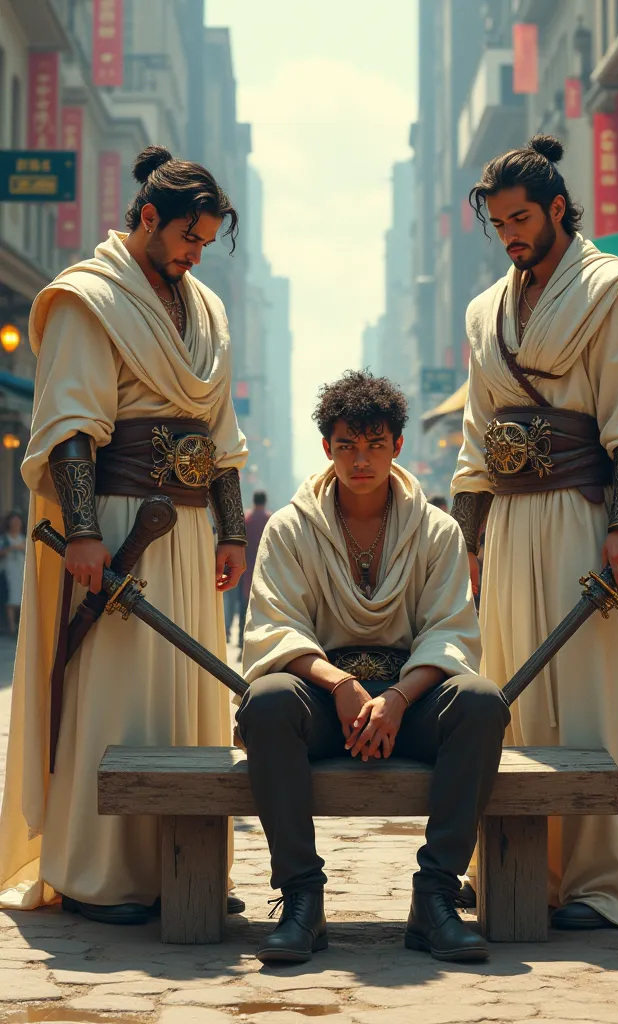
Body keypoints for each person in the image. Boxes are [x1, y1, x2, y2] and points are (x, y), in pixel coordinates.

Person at [0, 145, 249, 924]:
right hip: (116, 527)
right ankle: (96, 872)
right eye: (188, 237)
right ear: (147, 217)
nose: (195, 253)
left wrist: (233, 529)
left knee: (186, 704)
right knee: (113, 700)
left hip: (190, 527)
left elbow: (221, 433)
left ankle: (184, 865)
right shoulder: (86, 298)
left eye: (205, 241)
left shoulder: (204, 306)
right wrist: (80, 531)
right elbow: (73, 424)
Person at [451, 134, 618, 931]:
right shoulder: (487, 309)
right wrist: (472, 541)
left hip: (587, 516)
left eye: (521, 218)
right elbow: (476, 440)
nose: (511, 233)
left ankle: (611, 878)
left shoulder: (615, 292)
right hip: (513, 527)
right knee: (513, 695)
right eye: (498, 223)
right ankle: (527, 869)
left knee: (592, 698)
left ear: (558, 207)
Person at [236, 370, 509, 964]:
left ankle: (435, 896)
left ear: (397, 446)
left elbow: (449, 630)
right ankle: (303, 899)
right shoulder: (289, 528)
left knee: (484, 702)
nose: (361, 460)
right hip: (324, 700)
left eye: (375, 445)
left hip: (408, 701)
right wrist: (341, 684)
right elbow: (274, 625)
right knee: (267, 702)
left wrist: (398, 699)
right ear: (327, 449)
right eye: (346, 446)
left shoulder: (436, 530)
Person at [237, 491, 271, 649]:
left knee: (244, 607)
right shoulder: (270, 520)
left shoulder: (247, 520)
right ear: (265, 502)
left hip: (246, 569)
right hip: (266, 571)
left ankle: (241, 641)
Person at [0, 513, 26, 634]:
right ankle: (11, 626)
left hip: (22, 569)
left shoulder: (24, 538)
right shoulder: (4, 538)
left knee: (22, 596)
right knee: (11, 597)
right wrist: (11, 548)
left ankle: (21, 625)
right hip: (9, 570)